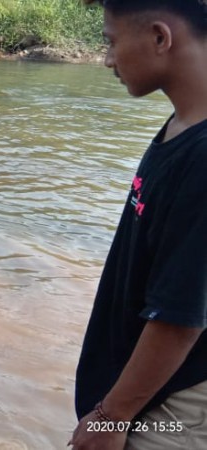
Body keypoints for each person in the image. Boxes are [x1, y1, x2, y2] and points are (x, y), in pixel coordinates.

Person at [70, 2, 207, 449]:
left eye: (111, 41)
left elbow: (180, 318)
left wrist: (113, 416)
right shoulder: (181, 124)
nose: (108, 59)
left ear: (160, 37)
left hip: (170, 406)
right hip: (141, 397)